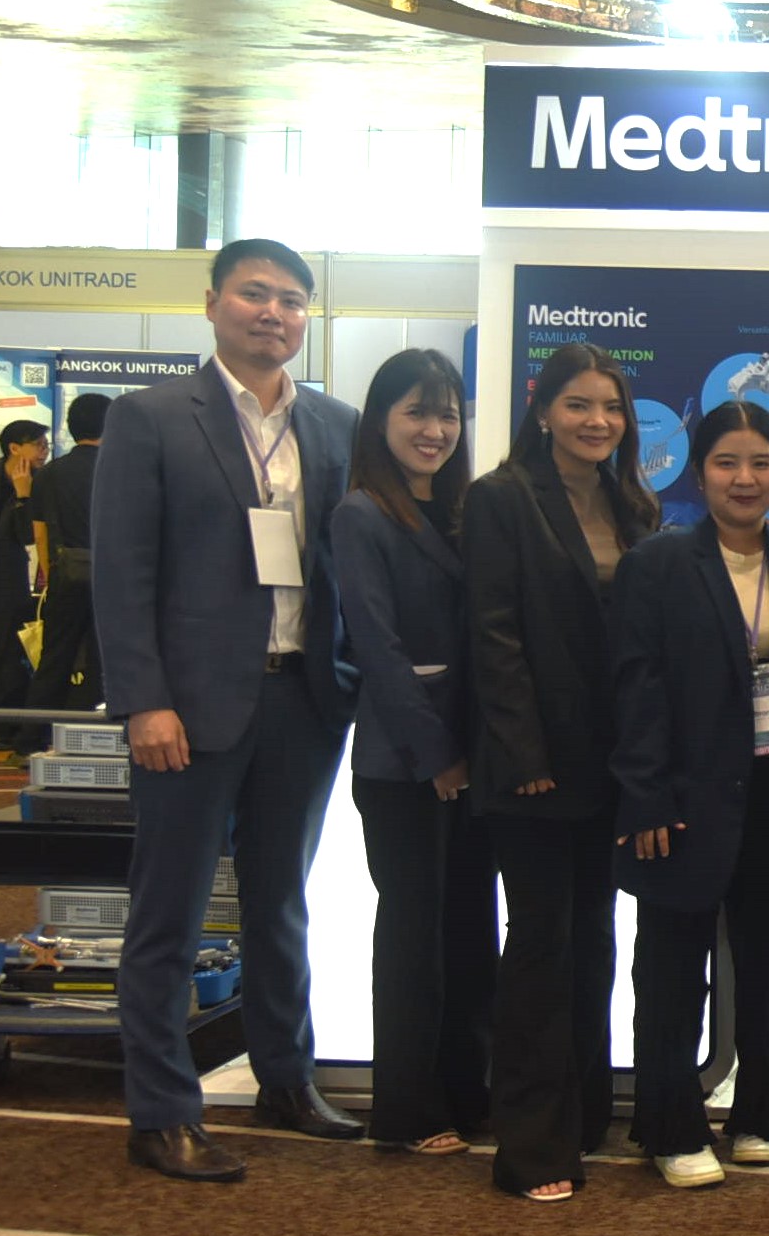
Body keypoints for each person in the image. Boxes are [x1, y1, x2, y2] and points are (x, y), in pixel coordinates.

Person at [92, 237, 364, 1181]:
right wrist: (144, 701)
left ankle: (285, 1077)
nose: (274, 313)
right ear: (211, 303)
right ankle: (162, 1109)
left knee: (280, 902)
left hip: (303, 699)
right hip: (189, 709)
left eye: (292, 299)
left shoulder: (335, 424)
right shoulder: (151, 418)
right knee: (167, 911)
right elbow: (121, 574)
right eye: (255, 293)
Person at [612, 403, 769, 1189]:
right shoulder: (658, 563)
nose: (745, 479)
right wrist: (644, 795)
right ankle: (670, 1123)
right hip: (683, 794)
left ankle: (761, 1111)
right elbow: (635, 688)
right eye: (726, 462)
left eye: (761, 462)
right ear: (698, 470)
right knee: (671, 968)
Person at [464, 341, 659, 1202]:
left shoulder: (632, 500)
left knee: (593, 939)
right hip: (534, 765)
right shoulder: (501, 497)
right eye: (578, 404)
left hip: (610, 763)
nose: (596, 421)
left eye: (611, 407)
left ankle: (583, 1113)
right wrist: (523, 754)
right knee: (541, 948)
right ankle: (531, 1146)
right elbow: (493, 634)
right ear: (542, 410)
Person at [330, 349, 495, 1156]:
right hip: (406, 765)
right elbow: (379, 650)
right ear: (381, 420)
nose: (434, 430)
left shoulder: (465, 510)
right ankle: (406, 1107)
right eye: (417, 412)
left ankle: (469, 1089)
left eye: (447, 414)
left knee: (469, 929)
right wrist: (438, 756)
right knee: (413, 939)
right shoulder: (362, 514)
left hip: (477, 755)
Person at [26, 394, 104, 715]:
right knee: (105, 657)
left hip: (66, 574)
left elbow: (40, 533)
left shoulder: (50, 473)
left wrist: (51, 574)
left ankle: (32, 734)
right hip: (111, 580)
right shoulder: (120, 469)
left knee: (55, 657)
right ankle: (99, 728)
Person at [0, 419, 49, 730]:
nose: (44, 452)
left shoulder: (41, 482)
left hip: (9, 578)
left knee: (7, 648)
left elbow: (28, 537)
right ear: (14, 448)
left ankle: (1, 723)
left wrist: (23, 496)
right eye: (38, 445)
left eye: (46, 445)